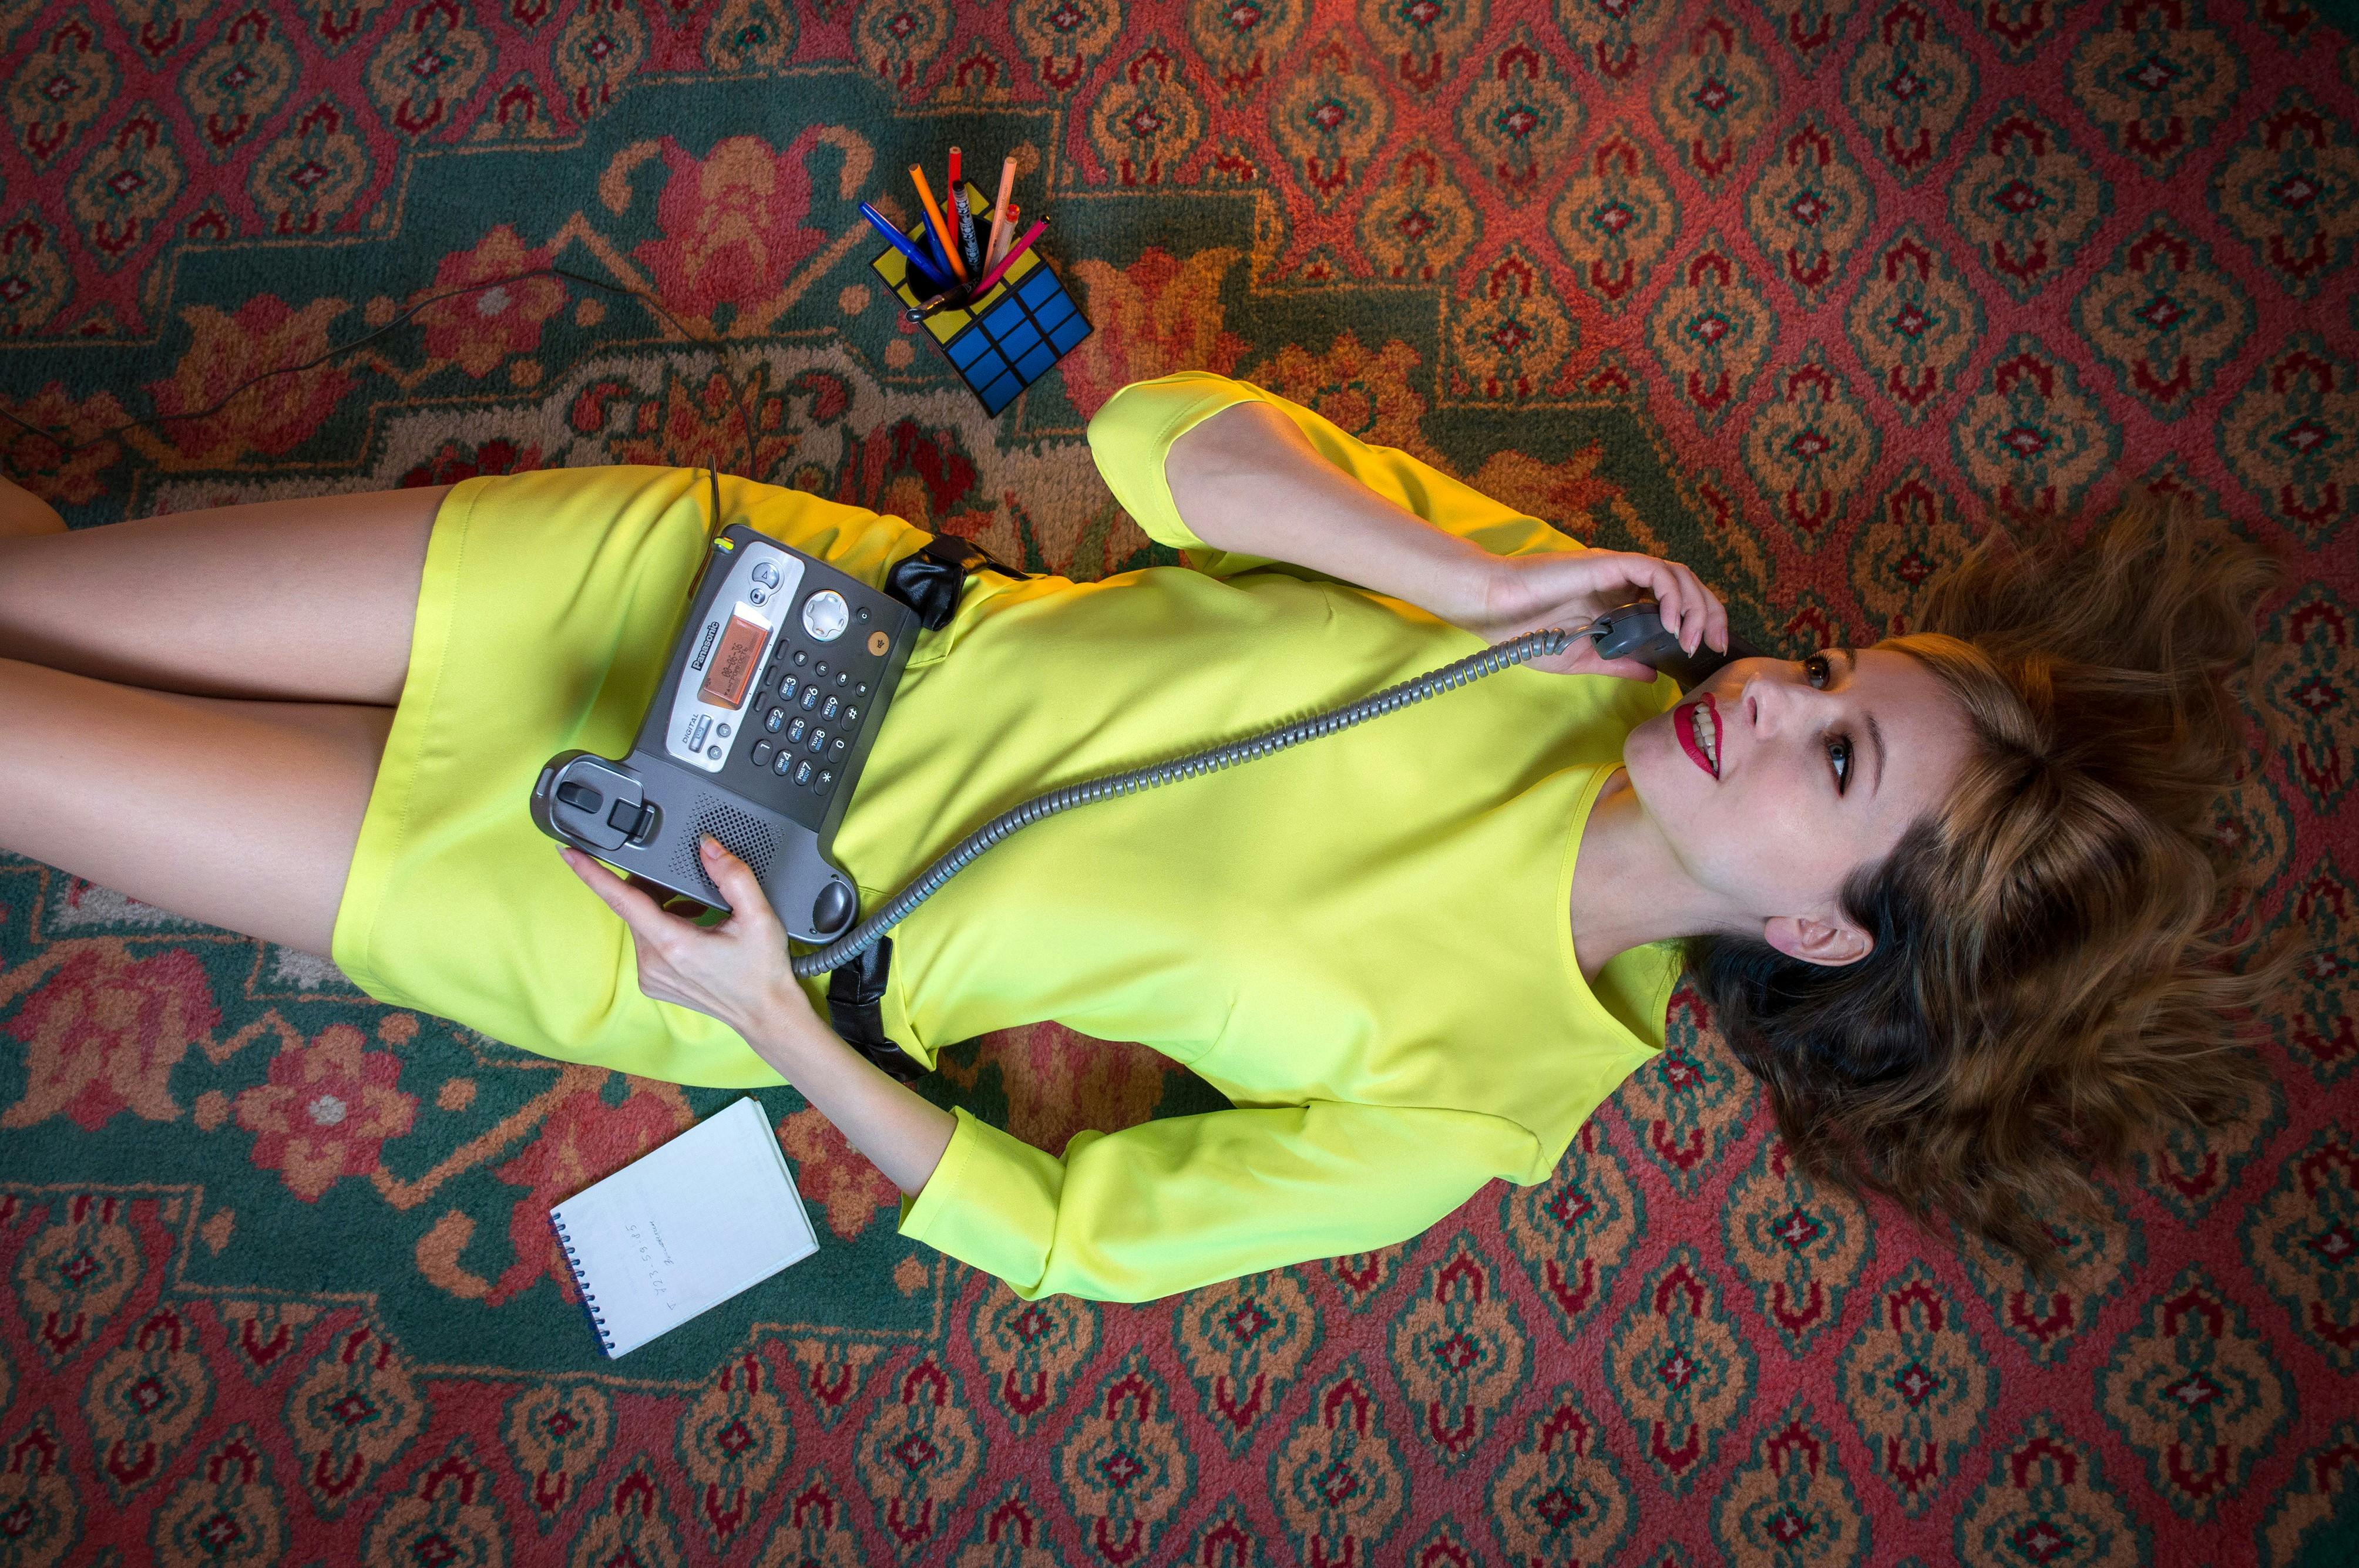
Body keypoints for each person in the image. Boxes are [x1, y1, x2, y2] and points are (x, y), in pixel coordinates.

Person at [0, 371, 2282, 1302]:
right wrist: (1459, 575)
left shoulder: (1488, 1090)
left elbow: (1081, 1232)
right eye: (1831, 670)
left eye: (1832, 758)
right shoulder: (1550, 630)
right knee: (33, 578)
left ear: (1808, 912)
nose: (1771, 688)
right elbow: (1152, 431)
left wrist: (767, 1021)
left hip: (658, 903)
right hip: (711, 606)